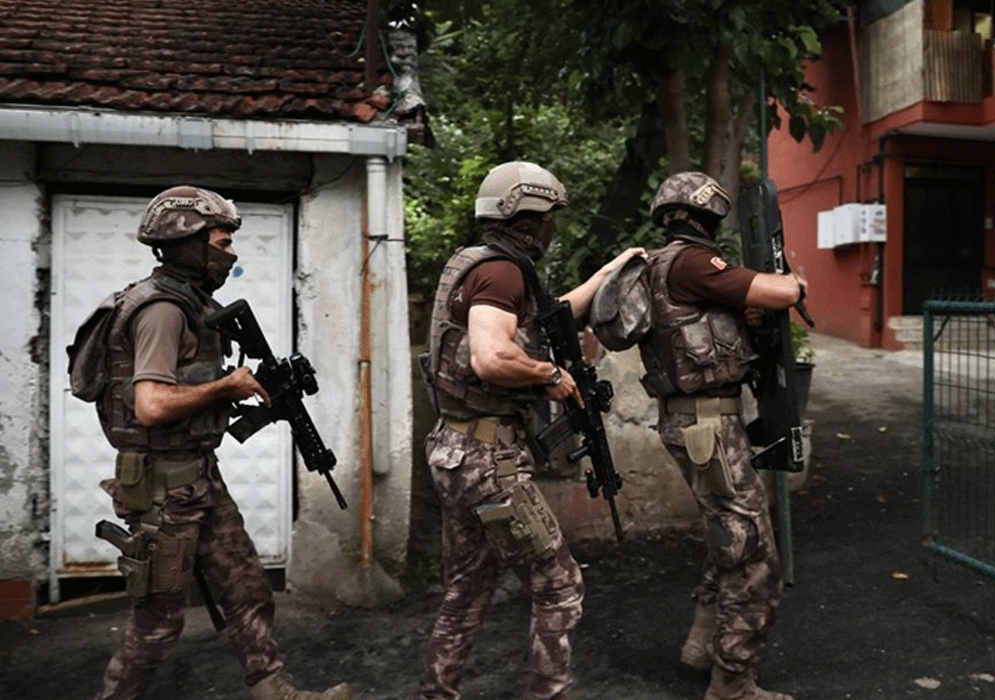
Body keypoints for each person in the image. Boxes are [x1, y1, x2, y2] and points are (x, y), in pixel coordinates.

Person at [73, 186, 351, 700]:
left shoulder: (192, 303)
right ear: (189, 245)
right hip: (162, 490)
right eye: (223, 243)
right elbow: (151, 405)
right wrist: (227, 386)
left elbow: (189, 394)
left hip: (197, 476)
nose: (232, 254)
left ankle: (273, 688)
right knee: (158, 621)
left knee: (246, 586)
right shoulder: (161, 310)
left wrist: (252, 398)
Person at [419, 161, 643, 700]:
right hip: (488, 460)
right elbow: (491, 357)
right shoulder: (503, 273)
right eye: (550, 220)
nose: (554, 230)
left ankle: (436, 693)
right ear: (529, 217)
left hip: (456, 448)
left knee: (467, 588)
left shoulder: (479, 264)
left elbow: (554, 315)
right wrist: (550, 375)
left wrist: (611, 271)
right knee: (560, 586)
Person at [635, 172, 805, 700]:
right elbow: (779, 291)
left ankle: (700, 646)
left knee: (727, 538)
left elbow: (710, 324)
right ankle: (732, 683)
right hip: (708, 426)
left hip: (693, 422)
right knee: (754, 559)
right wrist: (795, 283)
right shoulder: (691, 262)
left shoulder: (659, 265)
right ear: (707, 216)